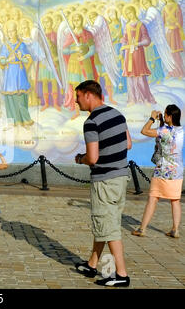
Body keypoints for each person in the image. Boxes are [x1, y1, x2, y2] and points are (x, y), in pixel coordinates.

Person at [73, 80, 132, 287]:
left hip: (104, 180)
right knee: (107, 221)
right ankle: (92, 264)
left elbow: (93, 157)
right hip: (121, 177)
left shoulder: (91, 122)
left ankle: (121, 274)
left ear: (88, 95)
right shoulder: (118, 114)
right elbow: (129, 143)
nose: (76, 101)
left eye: (78, 96)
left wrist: (81, 158)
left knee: (108, 227)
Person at [132, 105, 183, 238]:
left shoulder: (164, 130)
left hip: (163, 169)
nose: (164, 116)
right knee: (175, 200)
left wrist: (152, 118)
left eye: (165, 114)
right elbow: (166, 140)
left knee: (153, 198)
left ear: (170, 116)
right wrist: (162, 122)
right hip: (177, 170)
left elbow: (144, 131)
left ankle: (142, 229)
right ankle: (175, 229)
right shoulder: (181, 130)